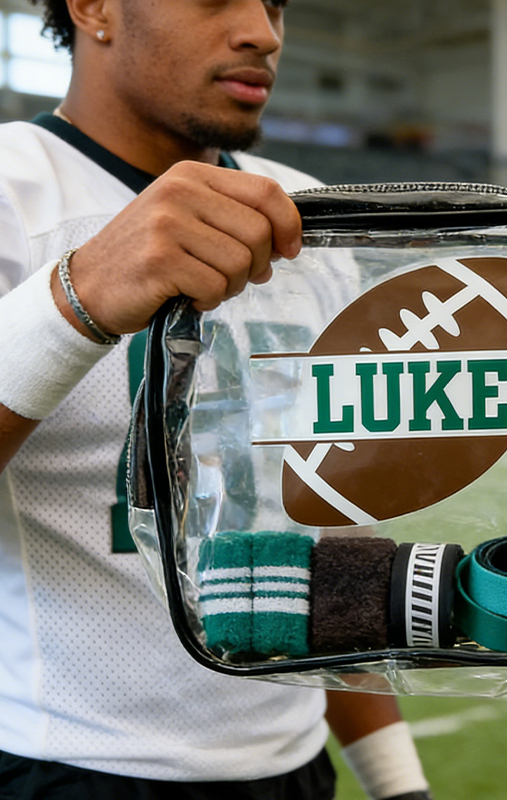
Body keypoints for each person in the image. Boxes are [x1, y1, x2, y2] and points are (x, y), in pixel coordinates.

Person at [0, 0, 432, 798]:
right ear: (93, 7)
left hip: (296, 768)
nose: (263, 33)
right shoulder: (12, 190)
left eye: (275, 4)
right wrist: (75, 302)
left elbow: (321, 540)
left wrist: (398, 783)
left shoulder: (307, 212)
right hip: (70, 765)